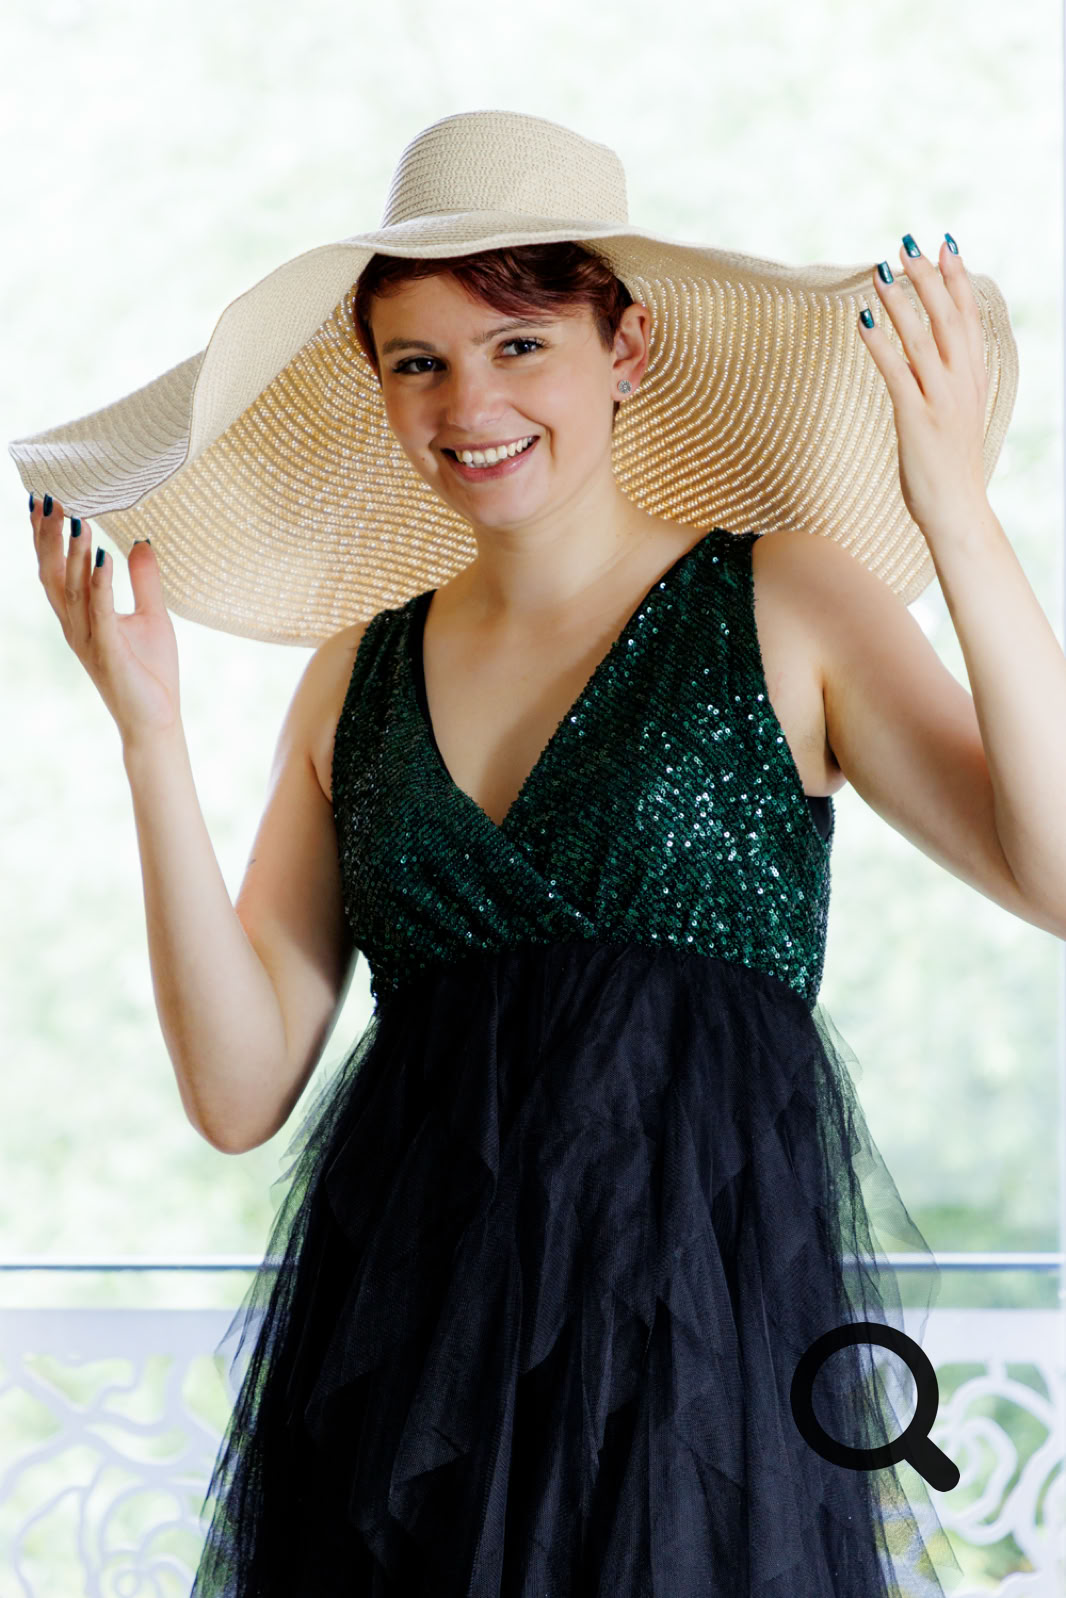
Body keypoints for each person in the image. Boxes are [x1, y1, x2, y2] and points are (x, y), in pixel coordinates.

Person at [18, 108, 1045, 1596]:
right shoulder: (354, 674)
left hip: (696, 1384)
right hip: (409, 1396)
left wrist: (953, 509)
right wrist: (148, 735)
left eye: (517, 344)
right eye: (416, 362)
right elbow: (238, 1093)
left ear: (625, 345)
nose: (468, 404)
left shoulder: (787, 602)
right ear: (377, 384)